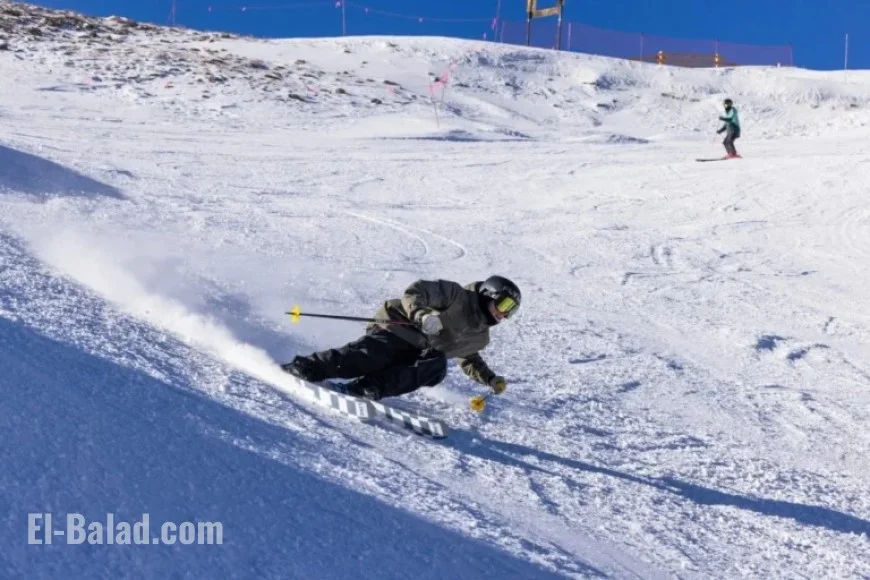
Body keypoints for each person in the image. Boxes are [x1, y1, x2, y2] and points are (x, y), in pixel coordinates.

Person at [281, 275, 521, 401]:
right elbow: (417, 291)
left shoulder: (481, 336)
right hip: (400, 329)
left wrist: (490, 379)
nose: (505, 313)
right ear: (490, 293)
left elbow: (468, 357)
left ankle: (369, 388)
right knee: (373, 356)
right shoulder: (456, 295)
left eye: (511, 311)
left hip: (420, 351)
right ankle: (306, 367)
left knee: (436, 366)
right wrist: (422, 314)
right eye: (505, 304)